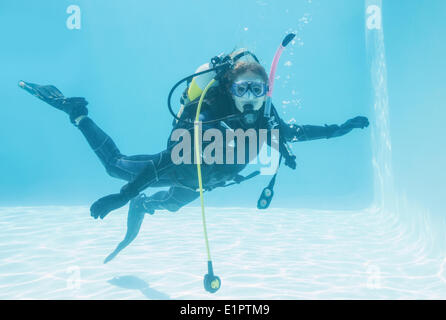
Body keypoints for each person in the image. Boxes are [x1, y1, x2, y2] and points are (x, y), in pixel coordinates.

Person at [19, 49, 369, 262]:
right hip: (182, 170)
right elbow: (167, 162)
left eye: (257, 90)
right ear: (230, 90)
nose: (249, 98)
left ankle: (145, 206)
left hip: (202, 184)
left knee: (169, 205)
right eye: (242, 89)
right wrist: (124, 196)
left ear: (266, 92)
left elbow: (301, 132)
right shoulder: (209, 118)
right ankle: (76, 112)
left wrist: (341, 127)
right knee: (115, 167)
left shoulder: (266, 122)